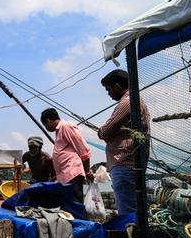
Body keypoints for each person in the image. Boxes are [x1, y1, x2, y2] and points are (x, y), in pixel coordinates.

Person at [98, 69, 150, 215]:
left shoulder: (127, 102)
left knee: (128, 212)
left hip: (124, 163)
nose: (109, 94)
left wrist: (102, 131)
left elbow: (105, 131)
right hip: (130, 164)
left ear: (117, 86)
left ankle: (132, 237)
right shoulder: (134, 100)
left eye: (109, 89)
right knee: (133, 210)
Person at [40, 108, 93, 203]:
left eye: (45, 125)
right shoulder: (59, 131)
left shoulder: (66, 127)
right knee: (69, 205)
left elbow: (83, 150)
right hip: (65, 175)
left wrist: (87, 170)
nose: (46, 128)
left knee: (75, 204)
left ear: (48, 121)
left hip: (72, 173)